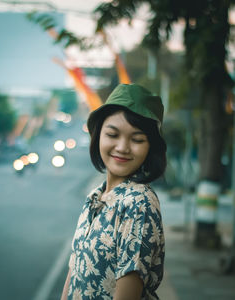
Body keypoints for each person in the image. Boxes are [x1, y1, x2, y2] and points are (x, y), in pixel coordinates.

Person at [61, 83, 167, 300]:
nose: (122, 147)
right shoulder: (94, 197)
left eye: (137, 139)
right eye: (112, 135)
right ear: (98, 135)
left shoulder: (139, 202)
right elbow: (74, 274)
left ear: (150, 147)